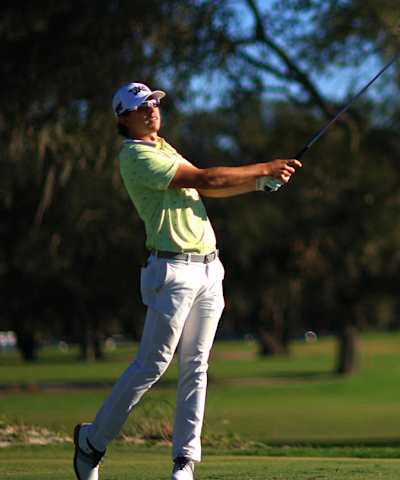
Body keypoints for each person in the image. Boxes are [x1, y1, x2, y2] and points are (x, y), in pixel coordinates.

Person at [72, 82, 301, 480]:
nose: (152, 109)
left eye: (155, 103)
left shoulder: (163, 146)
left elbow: (204, 189)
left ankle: (184, 463)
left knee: (197, 365)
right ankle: (91, 442)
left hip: (210, 269)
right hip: (172, 271)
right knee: (153, 365)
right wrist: (263, 167)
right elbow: (205, 178)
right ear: (123, 118)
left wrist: (257, 184)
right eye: (142, 106)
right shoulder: (136, 156)